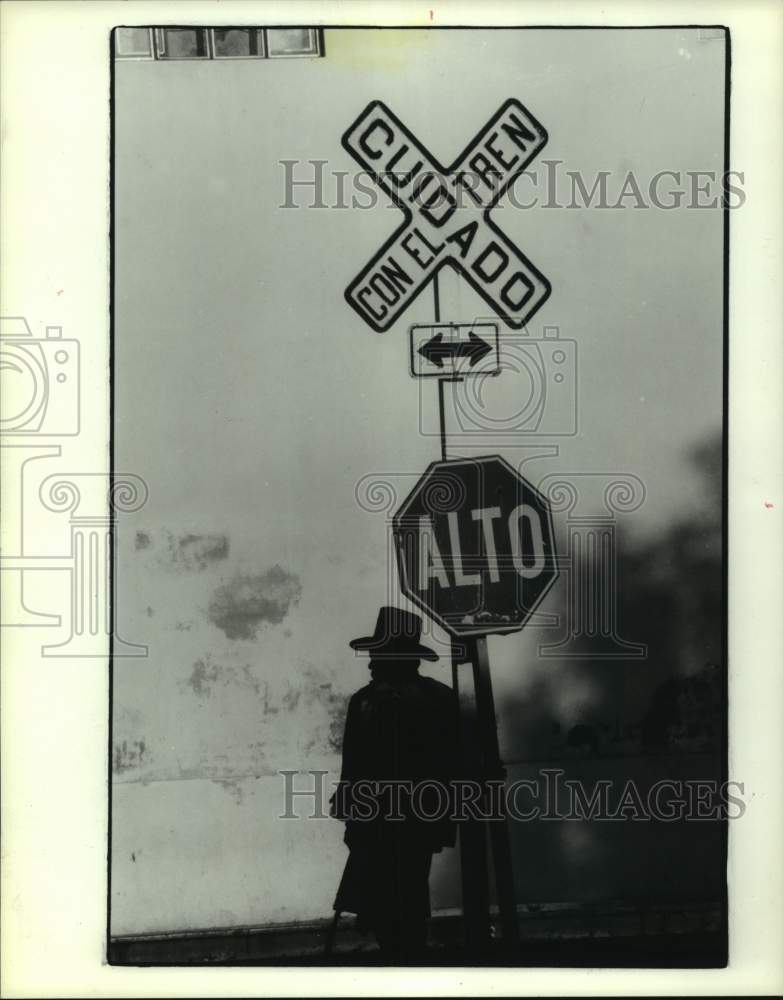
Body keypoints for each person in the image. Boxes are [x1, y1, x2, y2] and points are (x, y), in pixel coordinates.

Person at [330, 606, 460, 961]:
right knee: (403, 896)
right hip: (414, 819)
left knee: (390, 900)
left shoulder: (371, 701)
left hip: (393, 820)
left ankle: (404, 961)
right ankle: (406, 958)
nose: (371, 662)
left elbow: (355, 767)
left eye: (379, 654)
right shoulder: (437, 698)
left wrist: (354, 817)